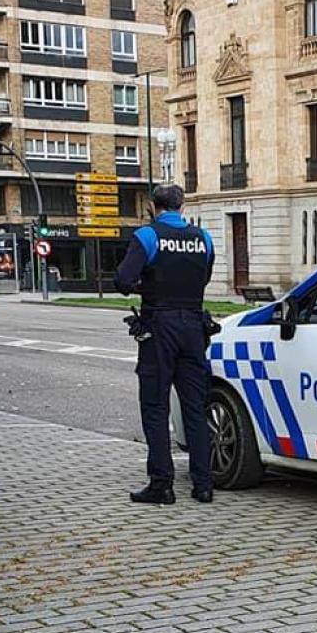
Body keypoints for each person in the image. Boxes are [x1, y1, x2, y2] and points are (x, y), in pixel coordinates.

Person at [115, 184, 215, 505]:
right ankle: (203, 485)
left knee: (155, 407)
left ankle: (162, 484)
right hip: (194, 327)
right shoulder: (204, 238)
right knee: (195, 408)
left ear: (152, 206)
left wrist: (151, 287)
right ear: (182, 206)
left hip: (159, 327)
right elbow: (204, 278)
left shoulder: (148, 236)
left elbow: (123, 281)